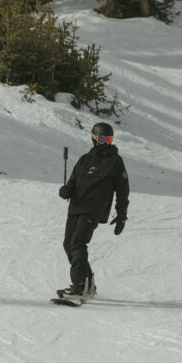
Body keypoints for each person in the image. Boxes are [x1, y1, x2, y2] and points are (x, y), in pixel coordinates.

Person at [56, 121, 130, 301]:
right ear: (94, 138)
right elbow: (72, 184)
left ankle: (80, 287)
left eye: (109, 139)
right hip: (75, 208)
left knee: (78, 244)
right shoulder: (84, 160)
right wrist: (66, 190)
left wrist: (121, 215)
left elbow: (122, 189)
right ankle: (88, 284)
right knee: (69, 245)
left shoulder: (115, 161)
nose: (106, 143)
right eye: (103, 138)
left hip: (93, 209)